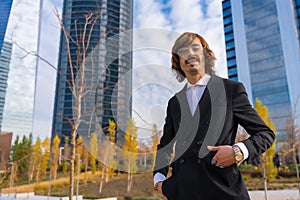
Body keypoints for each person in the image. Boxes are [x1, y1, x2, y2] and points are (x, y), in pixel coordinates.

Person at [153, 32, 275, 200]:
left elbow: (265, 134)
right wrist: (159, 181)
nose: (190, 53)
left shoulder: (231, 90)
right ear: (178, 61)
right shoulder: (174, 102)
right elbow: (165, 146)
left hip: (223, 191)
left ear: (206, 56)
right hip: (181, 192)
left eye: (195, 48)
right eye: (183, 51)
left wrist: (237, 151)